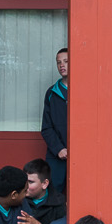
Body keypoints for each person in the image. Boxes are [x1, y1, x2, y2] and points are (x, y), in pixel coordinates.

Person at [40, 47, 70, 190]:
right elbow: (46, 128)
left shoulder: (84, 90)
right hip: (56, 155)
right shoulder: (51, 93)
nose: (62, 65)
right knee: (53, 193)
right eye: (59, 62)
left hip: (81, 154)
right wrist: (59, 149)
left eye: (66, 61)